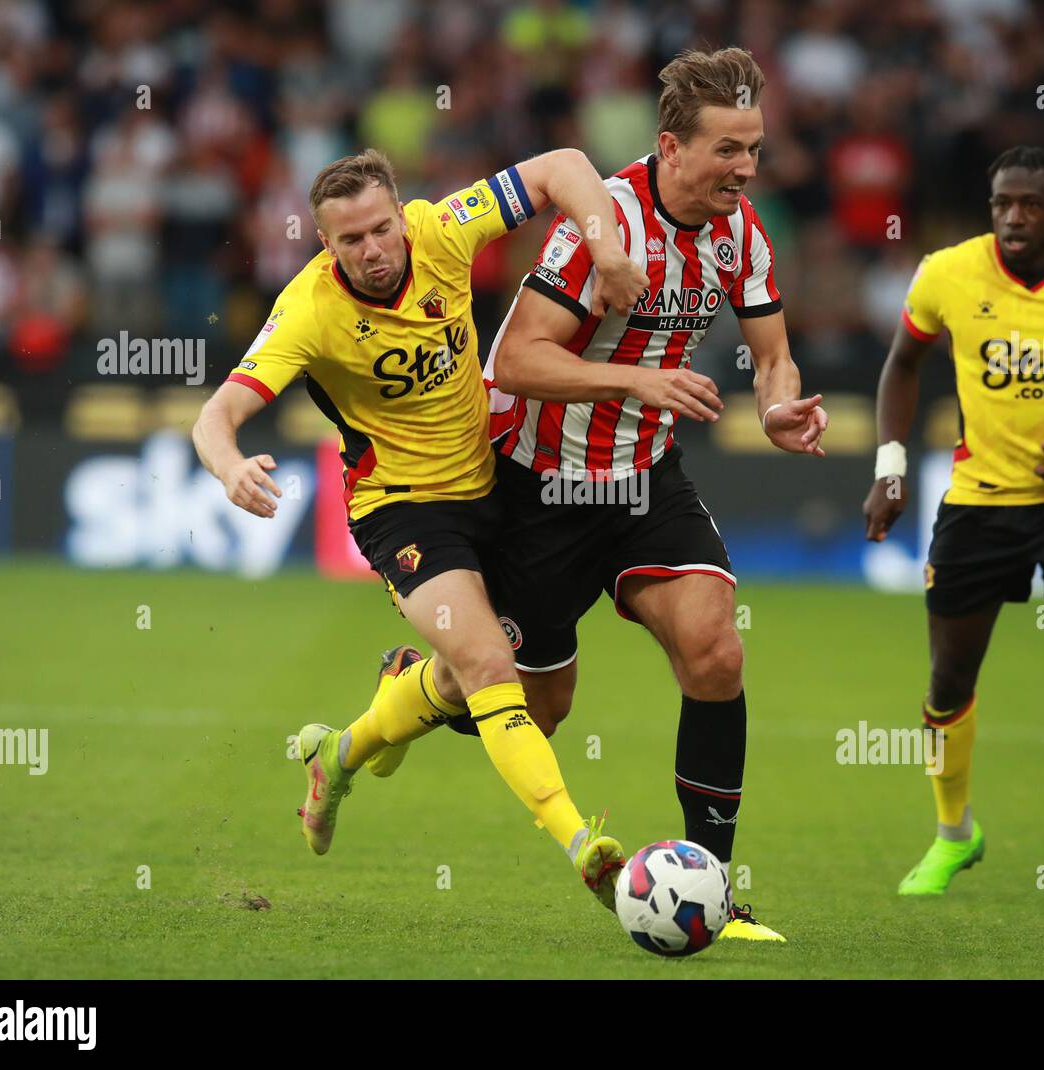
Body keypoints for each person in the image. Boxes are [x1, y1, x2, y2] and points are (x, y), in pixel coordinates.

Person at [192, 146, 650, 911]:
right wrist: (230, 465)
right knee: (485, 663)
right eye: (349, 240)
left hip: (497, 482)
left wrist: (605, 249)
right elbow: (216, 416)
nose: (371, 251)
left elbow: (566, 166)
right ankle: (585, 846)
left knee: (541, 704)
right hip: (402, 510)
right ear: (323, 242)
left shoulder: (442, 230)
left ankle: (340, 754)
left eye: (380, 230)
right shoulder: (309, 311)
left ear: (401, 216)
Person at [479, 47, 829, 941]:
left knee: (715, 651)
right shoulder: (604, 224)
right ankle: (420, 691)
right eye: (727, 150)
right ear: (671, 146)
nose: (745, 169)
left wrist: (781, 404)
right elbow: (517, 358)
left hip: (644, 481)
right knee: (539, 711)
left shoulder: (742, 231)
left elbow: (773, 351)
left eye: (753, 148)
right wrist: (635, 379)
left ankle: (712, 884)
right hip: (539, 487)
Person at [862, 146, 1044, 909]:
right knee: (947, 682)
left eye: (1030, 203)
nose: (1013, 218)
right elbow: (902, 365)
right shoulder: (948, 273)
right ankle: (955, 835)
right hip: (980, 501)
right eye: (1002, 204)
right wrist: (891, 468)